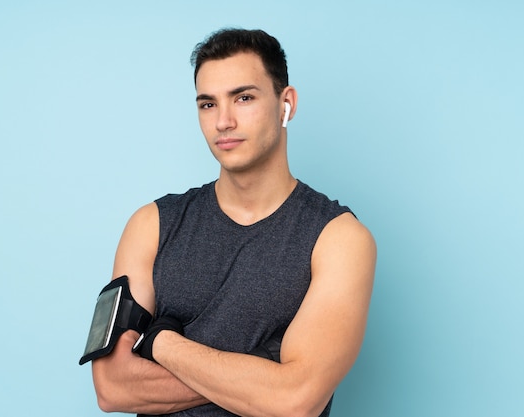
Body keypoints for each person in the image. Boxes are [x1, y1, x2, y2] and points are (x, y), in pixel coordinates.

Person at [90, 28, 376, 417]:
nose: (224, 121)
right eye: (207, 104)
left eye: (244, 98)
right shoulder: (150, 225)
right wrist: (260, 373)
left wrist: (160, 343)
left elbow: (295, 401)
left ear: (286, 104)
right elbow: (112, 388)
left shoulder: (339, 238)